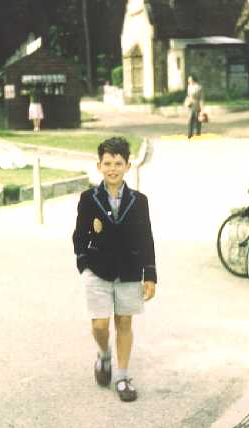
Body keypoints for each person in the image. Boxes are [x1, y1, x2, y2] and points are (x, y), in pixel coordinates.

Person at [72, 137, 157, 402]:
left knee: (124, 321)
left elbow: (146, 237)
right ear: (99, 166)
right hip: (97, 270)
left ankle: (122, 376)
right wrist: (83, 263)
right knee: (99, 325)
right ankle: (104, 355)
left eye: (118, 163)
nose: (112, 168)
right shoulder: (89, 198)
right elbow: (79, 235)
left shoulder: (139, 200)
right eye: (107, 163)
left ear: (127, 166)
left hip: (129, 270)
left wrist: (150, 274)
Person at [185, 74, 205, 138]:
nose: (188, 80)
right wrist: (187, 102)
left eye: (190, 79)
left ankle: (197, 134)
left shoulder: (199, 87)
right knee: (190, 119)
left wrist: (202, 108)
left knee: (197, 120)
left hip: (197, 105)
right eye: (188, 79)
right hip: (190, 105)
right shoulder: (189, 87)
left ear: (193, 79)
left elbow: (201, 98)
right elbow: (188, 96)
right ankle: (190, 134)